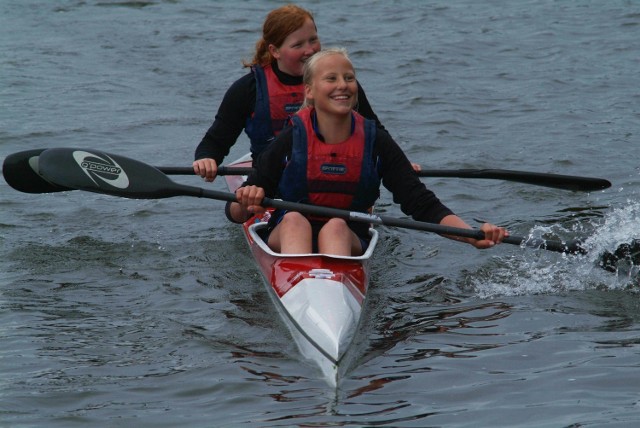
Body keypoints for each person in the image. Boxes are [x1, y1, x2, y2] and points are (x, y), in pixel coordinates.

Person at [230, 48, 508, 256]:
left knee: (336, 227)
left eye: (349, 78)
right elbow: (235, 211)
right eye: (332, 78)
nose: (343, 84)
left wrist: (470, 236)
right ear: (310, 91)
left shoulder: (376, 140)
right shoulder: (292, 137)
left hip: (347, 237)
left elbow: (421, 203)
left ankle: (331, 290)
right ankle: (301, 287)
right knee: (293, 220)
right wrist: (246, 199)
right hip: (288, 233)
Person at [193, 4, 388, 182]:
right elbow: (215, 141)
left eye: (313, 40)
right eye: (298, 45)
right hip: (271, 181)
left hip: (333, 177)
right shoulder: (247, 89)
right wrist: (206, 159)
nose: (310, 50)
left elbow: (375, 132)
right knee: (236, 210)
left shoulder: (340, 85)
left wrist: (398, 167)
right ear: (275, 51)